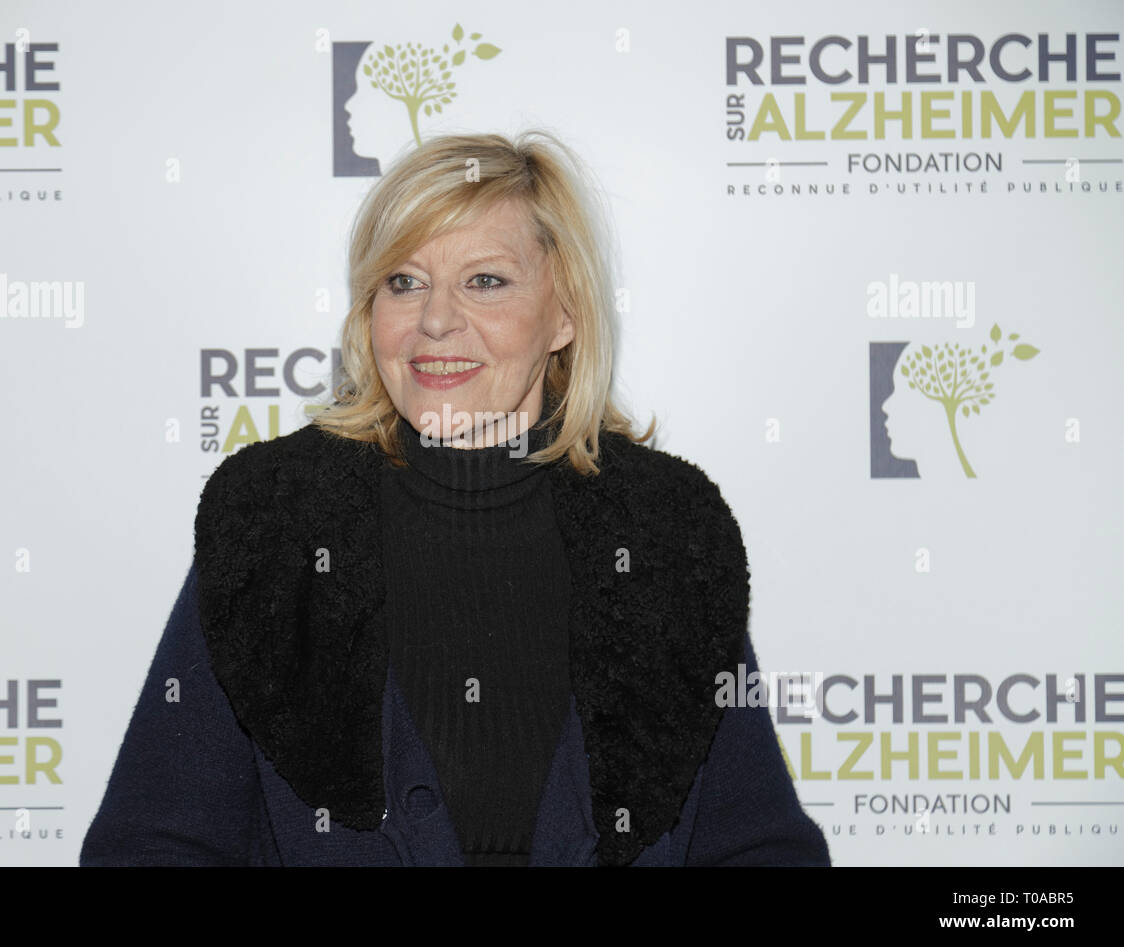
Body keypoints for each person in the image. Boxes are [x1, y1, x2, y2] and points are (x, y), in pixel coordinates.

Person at [81, 130, 830, 867]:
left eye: (486, 281)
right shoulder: (276, 522)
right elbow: (150, 842)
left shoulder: (663, 530)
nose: (435, 320)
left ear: (564, 315)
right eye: (403, 282)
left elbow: (759, 845)